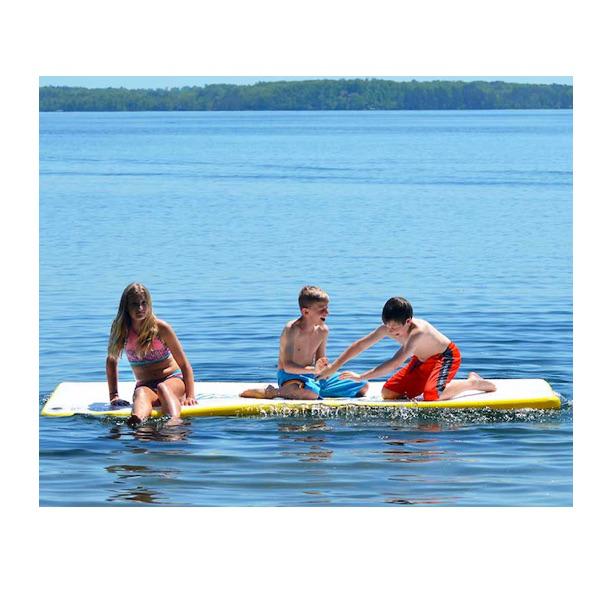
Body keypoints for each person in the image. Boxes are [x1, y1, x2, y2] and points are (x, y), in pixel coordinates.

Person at [317, 296, 496, 401]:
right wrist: (334, 367)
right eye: (387, 326)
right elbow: (360, 345)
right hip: (421, 359)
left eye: (395, 328)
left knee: (431, 395)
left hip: (445, 357)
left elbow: (395, 362)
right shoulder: (387, 327)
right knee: (388, 393)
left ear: (408, 321)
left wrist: (362, 376)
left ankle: (472, 382)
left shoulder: (417, 332)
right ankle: (431, 383)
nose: (391, 331)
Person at [240, 286, 368, 400]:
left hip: (312, 376)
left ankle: (315, 391)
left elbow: (320, 361)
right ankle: (274, 392)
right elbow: (287, 366)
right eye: (322, 309)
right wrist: (314, 369)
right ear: (306, 312)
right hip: (290, 376)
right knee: (311, 394)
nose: (327, 313)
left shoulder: (323, 330)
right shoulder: (291, 330)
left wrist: (323, 369)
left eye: (327, 308)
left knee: (362, 386)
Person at [106, 283, 196, 427]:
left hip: (172, 380)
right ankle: (137, 423)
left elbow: (184, 364)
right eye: (135, 304)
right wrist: (114, 396)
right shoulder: (121, 330)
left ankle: (174, 422)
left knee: (162, 387)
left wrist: (190, 396)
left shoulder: (161, 328)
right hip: (145, 384)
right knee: (140, 392)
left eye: (143, 303)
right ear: (126, 307)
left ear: (149, 304)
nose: (140, 308)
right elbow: (111, 360)